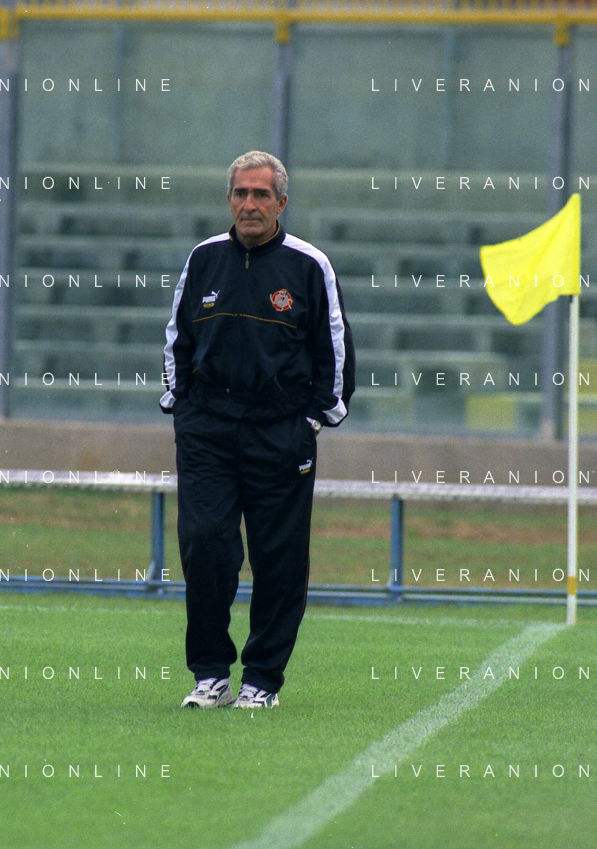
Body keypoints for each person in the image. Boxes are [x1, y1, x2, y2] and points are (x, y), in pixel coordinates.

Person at [161, 150, 355, 709]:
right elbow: (177, 337)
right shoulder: (204, 258)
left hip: (281, 433)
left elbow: (335, 349)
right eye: (241, 193)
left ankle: (262, 680)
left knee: (279, 559)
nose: (250, 204)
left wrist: (314, 420)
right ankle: (210, 675)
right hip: (208, 430)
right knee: (205, 544)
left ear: (281, 202)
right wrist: (181, 407)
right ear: (229, 200)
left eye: (261, 194)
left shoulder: (309, 265)